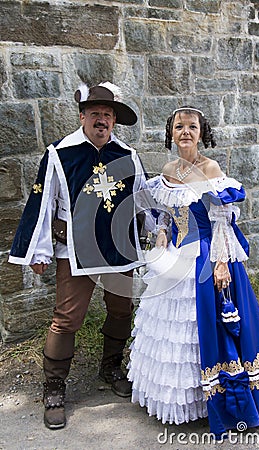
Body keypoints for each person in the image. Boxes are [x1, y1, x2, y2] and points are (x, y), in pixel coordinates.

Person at [127, 106, 259, 440]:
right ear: (171, 132)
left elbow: (222, 221)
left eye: (193, 127)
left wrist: (220, 263)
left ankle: (218, 402)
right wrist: (161, 231)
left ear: (203, 133)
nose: (186, 132)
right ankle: (181, 399)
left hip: (206, 256)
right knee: (174, 331)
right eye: (179, 126)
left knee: (211, 327)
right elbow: (168, 211)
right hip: (175, 257)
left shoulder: (210, 169)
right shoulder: (169, 169)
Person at [8, 82, 148, 430]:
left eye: (108, 115)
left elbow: (144, 199)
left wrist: (160, 231)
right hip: (75, 249)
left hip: (118, 248)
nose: (102, 120)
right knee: (67, 318)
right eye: (96, 114)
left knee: (121, 308)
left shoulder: (126, 155)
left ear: (114, 121)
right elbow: (42, 202)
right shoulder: (62, 153)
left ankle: (111, 366)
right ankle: (54, 390)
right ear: (82, 116)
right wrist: (38, 250)